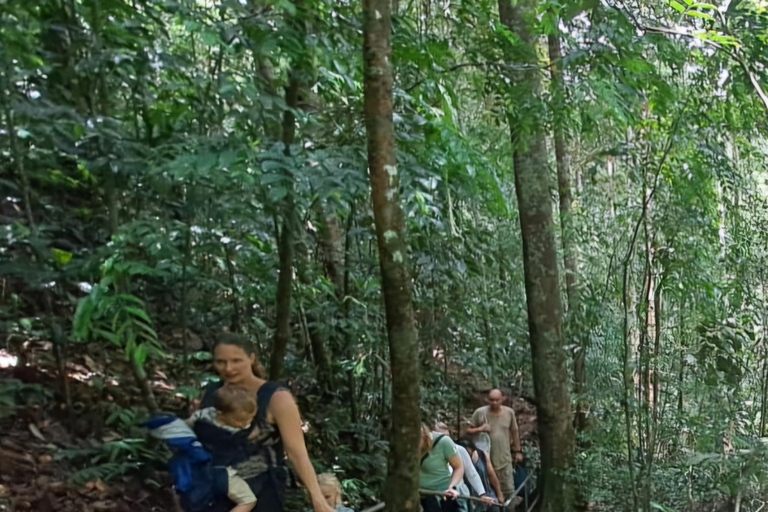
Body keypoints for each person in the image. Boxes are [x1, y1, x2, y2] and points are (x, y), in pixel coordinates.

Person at [197, 333, 335, 512]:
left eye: (236, 361)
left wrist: (318, 500)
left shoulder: (276, 397)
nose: (228, 368)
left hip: (261, 492)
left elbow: (297, 453)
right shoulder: (212, 393)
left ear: (252, 358)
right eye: (221, 362)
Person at [187, 386, 259, 512]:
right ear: (221, 414)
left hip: (195, 470)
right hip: (221, 474)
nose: (244, 424)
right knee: (248, 500)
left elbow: (187, 424)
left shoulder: (204, 415)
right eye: (240, 420)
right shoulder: (231, 434)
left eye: (250, 419)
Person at [465, 389, 522, 506]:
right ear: (487, 400)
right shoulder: (480, 413)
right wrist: (480, 429)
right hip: (485, 460)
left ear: (502, 399)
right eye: (491, 400)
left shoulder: (509, 413)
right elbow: (468, 431)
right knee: (488, 489)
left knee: (508, 489)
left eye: (497, 400)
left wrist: (517, 451)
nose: (494, 403)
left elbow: (515, 432)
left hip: (504, 457)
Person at [433, 423, 496, 511]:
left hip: (458, 493)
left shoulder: (459, 449)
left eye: (446, 437)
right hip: (436, 492)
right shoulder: (429, 452)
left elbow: (472, 473)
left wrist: (482, 494)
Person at [419, 423, 464, 512]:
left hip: (440, 496)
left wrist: (451, 487)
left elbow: (459, 467)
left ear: (424, 436)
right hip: (417, 495)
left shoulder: (443, 442)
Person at [456, 439, 505, 512]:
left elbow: (491, 475)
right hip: (471, 498)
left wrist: (499, 493)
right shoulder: (459, 461)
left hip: (487, 493)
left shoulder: (482, 455)